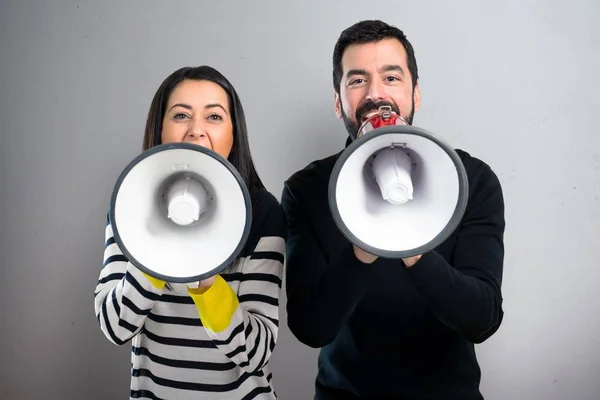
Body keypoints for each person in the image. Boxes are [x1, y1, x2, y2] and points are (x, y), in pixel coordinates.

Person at [281, 20, 505, 399]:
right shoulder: (306, 190)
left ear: (416, 94)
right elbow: (311, 329)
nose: (375, 94)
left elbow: (481, 320)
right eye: (357, 81)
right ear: (338, 103)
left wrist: (413, 245)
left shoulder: (472, 180)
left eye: (391, 78)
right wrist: (362, 249)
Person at [94, 66, 287, 399]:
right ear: (160, 130)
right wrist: (155, 245)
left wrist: (208, 282)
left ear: (233, 134)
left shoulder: (262, 213)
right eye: (181, 115)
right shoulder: (130, 204)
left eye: (214, 117)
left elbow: (255, 354)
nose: (196, 131)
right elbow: (115, 327)